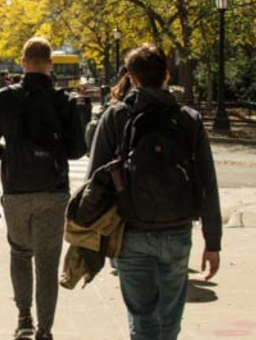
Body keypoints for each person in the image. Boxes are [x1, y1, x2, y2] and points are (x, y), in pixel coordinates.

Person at [87, 45, 221, 340]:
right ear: (167, 75)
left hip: (132, 230)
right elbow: (207, 183)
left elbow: (95, 179)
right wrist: (213, 242)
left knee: (142, 317)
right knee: (170, 316)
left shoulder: (116, 116)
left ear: (132, 78)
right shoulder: (189, 119)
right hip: (177, 230)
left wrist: (92, 237)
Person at [0, 38, 87, 340]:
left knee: (20, 252)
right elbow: (78, 150)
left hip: (16, 189)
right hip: (53, 189)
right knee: (48, 262)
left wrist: (13, 157)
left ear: (22, 62)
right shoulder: (64, 102)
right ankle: (46, 329)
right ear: (50, 64)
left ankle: (24, 316)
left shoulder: (2, 98)